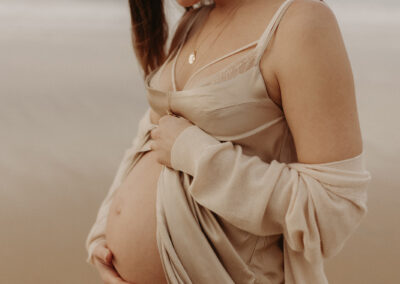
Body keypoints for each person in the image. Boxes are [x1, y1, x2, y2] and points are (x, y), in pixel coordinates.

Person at [85, 0, 372, 283]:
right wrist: (102, 232)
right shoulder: (193, 22)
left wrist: (196, 154)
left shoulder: (302, 23)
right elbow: (148, 139)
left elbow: (334, 207)